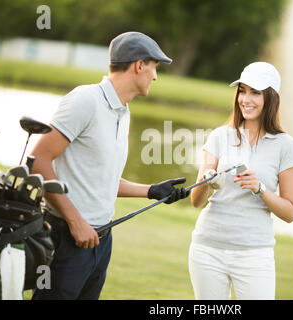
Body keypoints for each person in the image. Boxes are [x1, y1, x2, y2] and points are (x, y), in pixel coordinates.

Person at [31, 31, 190, 300]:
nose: (155, 76)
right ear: (139, 65)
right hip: (67, 237)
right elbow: (37, 162)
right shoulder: (85, 100)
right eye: (155, 68)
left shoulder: (123, 111)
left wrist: (152, 190)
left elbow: (101, 179)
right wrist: (76, 221)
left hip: (101, 240)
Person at [189, 62, 293, 300]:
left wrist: (260, 189)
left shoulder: (285, 145)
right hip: (208, 248)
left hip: (254, 254)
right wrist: (207, 181)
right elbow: (196, 201)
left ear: (271, 97)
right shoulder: (220, 136)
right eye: (242, 90)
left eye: (255, 92)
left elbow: (290, 212)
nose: (246, 99)